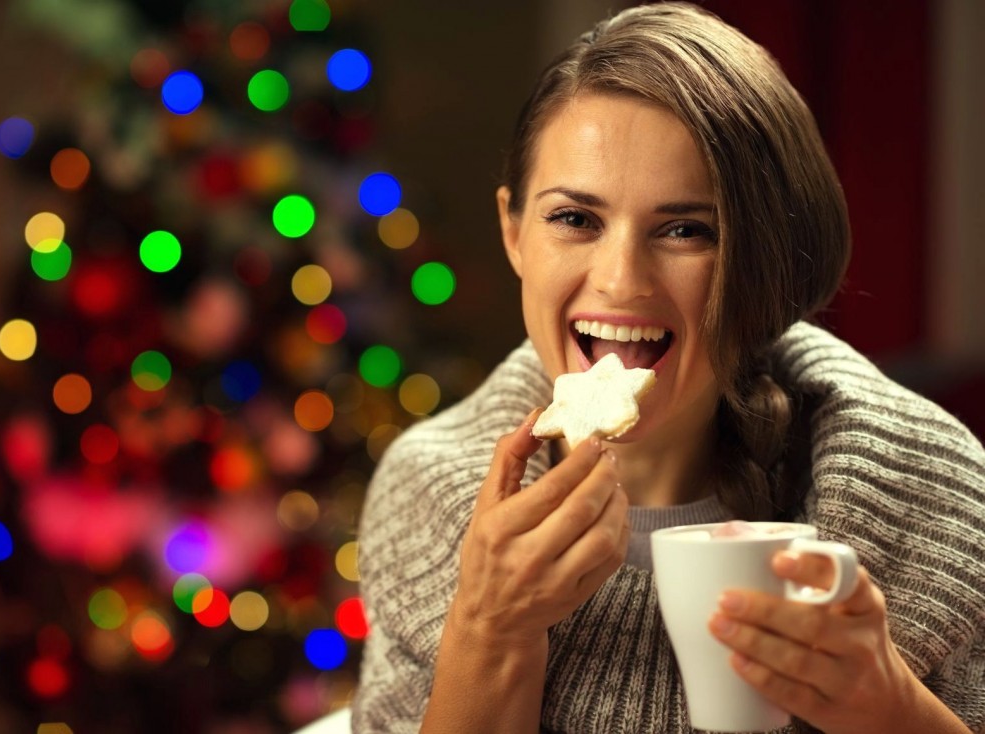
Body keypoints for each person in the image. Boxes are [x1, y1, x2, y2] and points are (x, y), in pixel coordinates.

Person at [352, 2, 985, 732]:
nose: (621, 280)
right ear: (515, 232)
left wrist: (888, 705)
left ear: (767, 263)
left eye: (687, 229)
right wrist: (488, 628)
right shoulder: (429, 496)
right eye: (575, 219)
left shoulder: (931, 494)